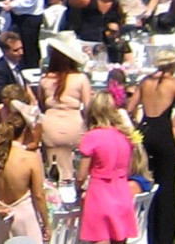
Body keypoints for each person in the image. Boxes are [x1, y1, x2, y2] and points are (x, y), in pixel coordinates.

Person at [131, 47, 175, 244]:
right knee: (167, 186)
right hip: (163, 133)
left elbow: (128, 108)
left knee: (147, 183)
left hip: (145, 130)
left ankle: (147, 232)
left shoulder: (145, 83)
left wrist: (135, 128)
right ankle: (165, 237)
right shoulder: (174, 84)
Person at [75, 96, 135, 244]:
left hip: (99, 194)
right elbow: (129, 167)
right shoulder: (124, 136)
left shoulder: (92, 137)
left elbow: (81, 176)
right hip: (122, 193)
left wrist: (78, 188)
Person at [0, 113, 47, 244]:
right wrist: (46, 223)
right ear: (26, 131)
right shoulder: (30, 158)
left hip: (0, 217)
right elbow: (39, 195)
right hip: (24, 217)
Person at [36, 32, 91, 184]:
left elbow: (41, 106)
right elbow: (88, 107)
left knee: (52, 169)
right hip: (74, 124)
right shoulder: (80, 78)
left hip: (50, 124)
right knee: (74, 166)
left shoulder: (45, 80)